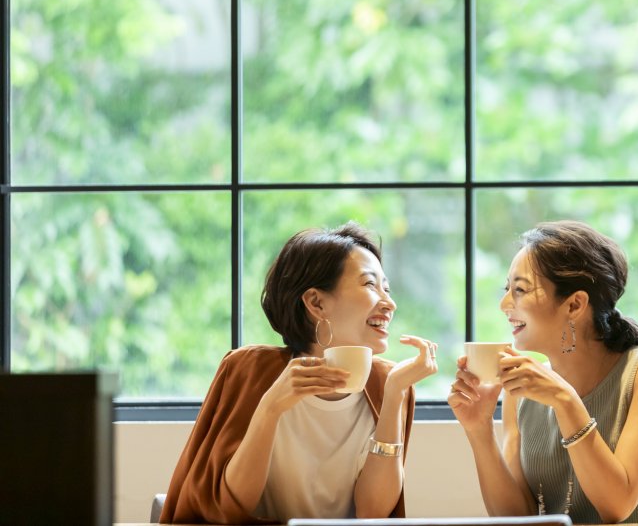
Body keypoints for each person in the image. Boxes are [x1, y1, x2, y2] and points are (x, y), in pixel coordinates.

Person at [161, 222, 438, 524]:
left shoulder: (389, 383)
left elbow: (372, 513)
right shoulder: (248, 370)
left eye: (387, 288)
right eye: (370, 284)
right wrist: (271, 407)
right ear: (316, 303)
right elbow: (229, 507)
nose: (389, 303)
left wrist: (396, 394)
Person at [448, 220, 638, 524]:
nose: (504, 303)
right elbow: (516, 518)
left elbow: (616, 506)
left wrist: (565, 401)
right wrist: (479, 430)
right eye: (507, 289)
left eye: (519, 289)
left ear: (574, 305)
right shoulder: (518, 393)